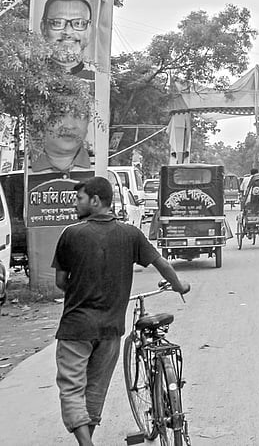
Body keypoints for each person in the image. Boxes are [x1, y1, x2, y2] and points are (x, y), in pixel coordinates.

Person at [52, 176, 189, 446]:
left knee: (72, 389)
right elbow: (161, 263)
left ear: (95, 200)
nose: (75, 204)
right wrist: (179, 286)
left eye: (79, 199)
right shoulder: (130, 234)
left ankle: (86, 444)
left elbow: (60, 281)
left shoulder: (71, 234)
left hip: (76, 329)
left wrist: (81, 290)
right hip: (111, 329)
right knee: (96, 390)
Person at [40, 0, 95, 79]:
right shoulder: (25, 75)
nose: (68, 32)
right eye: (58, 23)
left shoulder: (99, 79)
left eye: (78, 23)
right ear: (43, 28)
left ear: (89, 30)